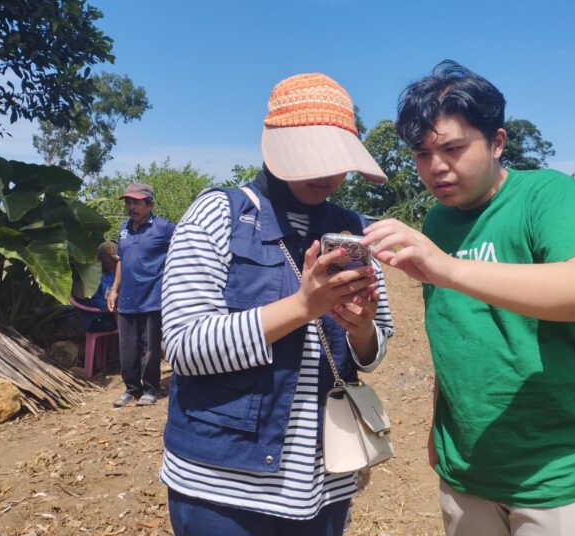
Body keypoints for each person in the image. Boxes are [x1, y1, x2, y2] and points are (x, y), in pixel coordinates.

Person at [363, 61, 575, 536]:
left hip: (562, 471)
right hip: (469, 465)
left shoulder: (548, 195)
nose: (435, 167)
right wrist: (439, 427)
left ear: (498, 142)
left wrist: (448, 268)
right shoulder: (438, 223)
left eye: (452, 148)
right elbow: (456, 331)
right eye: (422, 154)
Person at [159, 73, 394, 535]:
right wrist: (303, 307)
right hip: (220, 486)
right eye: (311, 155)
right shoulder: (217, 215)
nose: (326, 173)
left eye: (336, 159)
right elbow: (184, 348)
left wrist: (361, 327)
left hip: (323, 483)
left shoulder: (355, 234)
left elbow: (375, 348)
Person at [107, 183, 175, 407]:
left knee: (150, 346)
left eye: (136, 202)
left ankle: (151, 388)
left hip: (152, 298)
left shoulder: (164, 228)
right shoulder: (124, 229)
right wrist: (114, 290)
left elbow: (184, 249)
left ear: (149, 204)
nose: (130, 206)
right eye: (128, 202)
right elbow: (121, 261)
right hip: (127, 298)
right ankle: (131, 388)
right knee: (127, 347)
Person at [73, 241, 118, 333]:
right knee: (114, 325)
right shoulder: (91, 275)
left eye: (115, 262)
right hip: (95, 316)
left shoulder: (113, 274)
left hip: (111, 313)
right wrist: (108, 306)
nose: (113, 264)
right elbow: (88, 299)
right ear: (101, 259)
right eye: (109, 262)